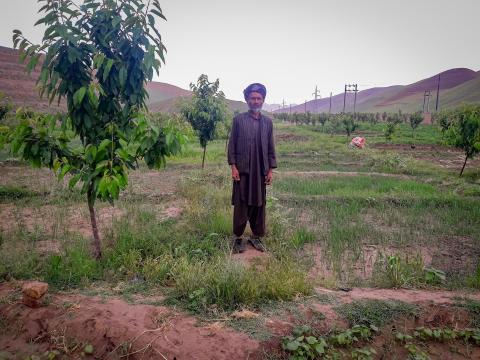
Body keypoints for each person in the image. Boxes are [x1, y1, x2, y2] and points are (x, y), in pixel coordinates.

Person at [227, 83, 277, 253]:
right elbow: (232, 145)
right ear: (247, 99)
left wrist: (270, 170)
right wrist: (233, 167)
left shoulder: (268, 123)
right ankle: (238, 239)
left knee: (259, 204)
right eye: (252, 98)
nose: (255, 101)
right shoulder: (238, 120)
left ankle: (256, 237)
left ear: (263, 100)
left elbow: (271, 148)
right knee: (241, 204)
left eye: (259, 98)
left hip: (260, 172)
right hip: (242, 171)